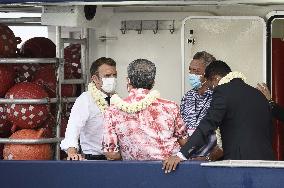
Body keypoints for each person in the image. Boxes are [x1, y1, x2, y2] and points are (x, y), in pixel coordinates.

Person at [163, 60, 275, 173]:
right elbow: (269, 129)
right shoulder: (258, 94)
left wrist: (181, 155)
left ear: (215, 79)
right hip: (267, 162)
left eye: (209, 84)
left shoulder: (222, 91)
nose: (211, 89)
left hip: (241, 164)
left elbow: (208, 124)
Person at [102, 59, 188, 160]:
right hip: (170, 169)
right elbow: (184, 142)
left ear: (128, 81)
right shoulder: (171, 107)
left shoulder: (112, 111)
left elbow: (111, 154)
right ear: (152, 82)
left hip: (135, 171)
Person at [60, 57, 117, 160]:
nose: (112, 79)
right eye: (107, 76)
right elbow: (73, 129)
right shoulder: (85, 99)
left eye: (114, 75)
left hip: (117, 161)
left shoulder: (118, 100)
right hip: (94, 160)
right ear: (95, 79)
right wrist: (72, 153)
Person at [180, 51, 222, 161]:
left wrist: (208, 157)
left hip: (212, 161)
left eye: (196, 71)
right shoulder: (187, 97)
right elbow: (180, 129)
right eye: (190, 70)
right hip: (187, 159)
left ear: (209, 73)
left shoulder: (219, 97)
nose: (191, 74)